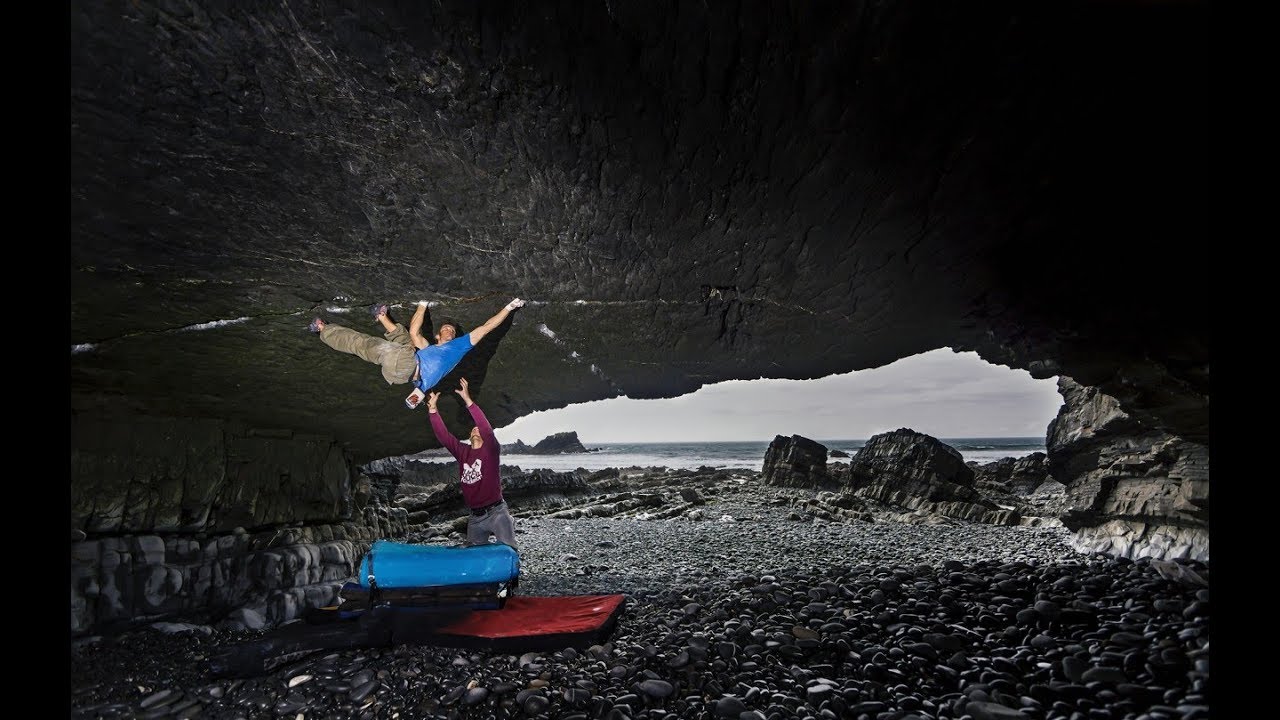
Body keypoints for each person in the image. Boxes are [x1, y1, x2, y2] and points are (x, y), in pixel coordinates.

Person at [308, 298, 524, 401]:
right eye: (445, 329)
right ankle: (378, 316)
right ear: (438, 336)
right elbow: (414, 331)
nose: (449, 331)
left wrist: (509, 307)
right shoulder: (427, 348)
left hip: (405, 367)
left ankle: (325, 329)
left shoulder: (458, 347)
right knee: (400, 339)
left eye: (452, 331)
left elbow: (486, 327)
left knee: (369, 344)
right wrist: (422, 305)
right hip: (404, 365)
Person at [428, 378, 517, 548]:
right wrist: (433, 410)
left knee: (509, 551)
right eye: (473, 429)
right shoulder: (463, 452)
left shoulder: (490, 450)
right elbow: (444, 437)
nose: (476, 429)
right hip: (475, 518)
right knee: (474, 555)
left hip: (497, 512)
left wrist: (468, 401)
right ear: (469, 436)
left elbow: (486, 429)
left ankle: (513, 575)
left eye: (479, 429)